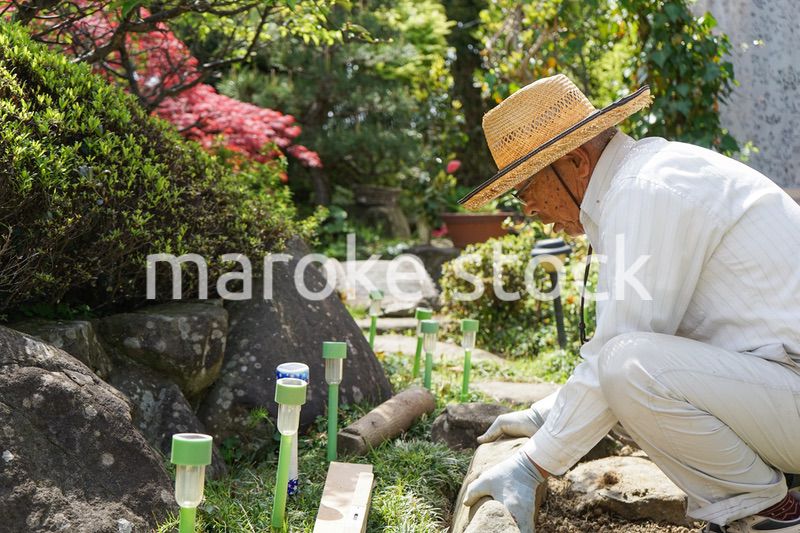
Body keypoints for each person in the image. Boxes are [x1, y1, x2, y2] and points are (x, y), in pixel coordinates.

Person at [458, 74, 800, 533]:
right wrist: (547, 415)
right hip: (782, 384)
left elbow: (623, 353)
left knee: (627, 368)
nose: (530, 210)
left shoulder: (643, 190)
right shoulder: (645, 174)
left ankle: (769, 514)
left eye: (526, 190)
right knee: (624, 371)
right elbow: (642, 342)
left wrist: (530, 466)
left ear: (576, 161)